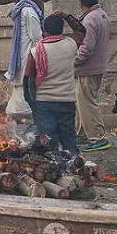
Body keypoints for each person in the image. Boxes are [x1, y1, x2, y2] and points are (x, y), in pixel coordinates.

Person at [24, 14, 81, 155]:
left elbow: (28, 81)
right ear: (62, 29)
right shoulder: (71, 44)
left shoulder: (36, 51)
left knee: (49, 140)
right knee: (68, 137)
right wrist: (67, 16)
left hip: (45, 102)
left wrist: (32, 103)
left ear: (44, 30)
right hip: (67, 101)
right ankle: (74, 165)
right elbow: (81, 31)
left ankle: (54, 168)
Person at [73, 0, 111, 150]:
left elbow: (86, 48)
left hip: (87, 68)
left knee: (87, 103)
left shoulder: (89, 19)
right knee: (82, 103)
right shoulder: (101, 15)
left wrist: (73, 61)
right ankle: (82, 135)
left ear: (81, 1)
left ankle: (98, 137)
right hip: (97, 66)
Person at [5, 0, 43, 119]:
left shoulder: (27, 11)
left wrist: (33, 59)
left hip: (27, 56)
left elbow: (37, 37)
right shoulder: (19, 10)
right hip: (21, 54)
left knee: (24, 88)